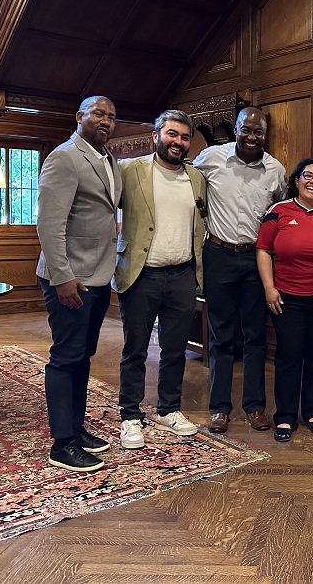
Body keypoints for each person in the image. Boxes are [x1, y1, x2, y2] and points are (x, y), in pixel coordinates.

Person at [36, 95, 123, 472]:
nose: (105, 120)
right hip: (70, 279)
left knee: (82, 356)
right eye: (98, 113)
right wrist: (63, 277)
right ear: (80, 116)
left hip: (99, 276)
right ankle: (62, 443)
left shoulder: (108, 159)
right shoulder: (64, 157)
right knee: (65, 357)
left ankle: (76, 426)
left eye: (111, 116)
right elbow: (49, 225)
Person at [113, 110, 208, 449]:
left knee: (174, 349)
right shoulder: (131, 171)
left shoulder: (196, 179)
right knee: (135, 348)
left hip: (182, 274)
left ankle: (169, 409)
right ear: (155, 135)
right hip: (141, 276)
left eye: (184, 137)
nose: (178, 142)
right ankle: (130, 416)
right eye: (172, 134)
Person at [192, 106, 287, 433]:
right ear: (236, 129)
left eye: (258, 131)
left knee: (255, 336)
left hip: (256, 258)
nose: (251, 136)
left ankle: (255, 406)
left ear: (265, 134)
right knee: (220, 336)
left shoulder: (275, 169)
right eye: (246, 129)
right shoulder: (211, 158)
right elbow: (186, 181)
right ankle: (219, 408)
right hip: (218, 254)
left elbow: (281, 212)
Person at [256, 159, 313, 442]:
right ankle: (285, 417)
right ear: (296, 180)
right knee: (289, 355)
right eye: (308, 175)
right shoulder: (278, 212)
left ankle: (312, 412)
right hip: (287, 298)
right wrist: (269, 288)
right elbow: (263, 250)